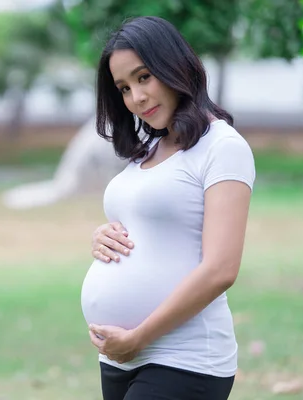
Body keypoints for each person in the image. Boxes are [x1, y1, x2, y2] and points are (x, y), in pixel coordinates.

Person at [79, 16, 256, 400]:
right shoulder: (150, 148)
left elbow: (221, 269)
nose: (136, 98)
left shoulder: (222, 147)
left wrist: (138, 337)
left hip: (185, 358)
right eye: (124, 88)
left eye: (144, 77)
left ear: (174, 66)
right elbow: (154, 229)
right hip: (119, 357)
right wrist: (103, 236)